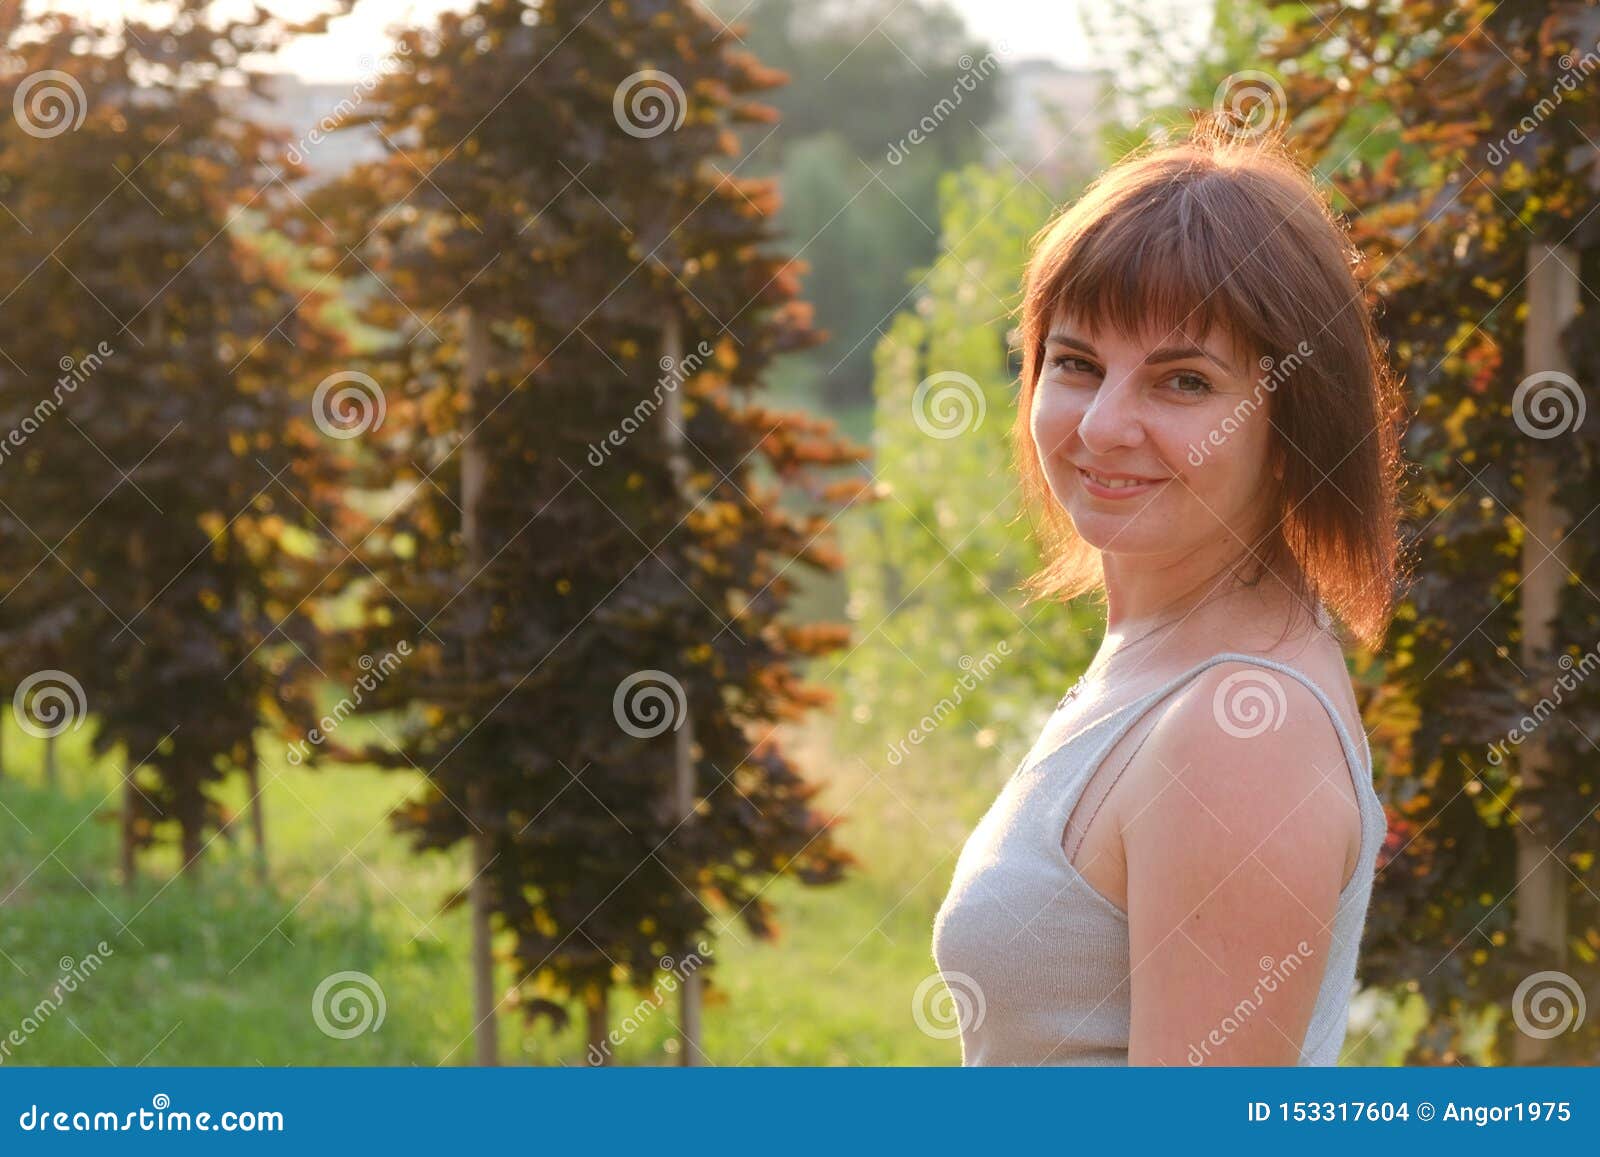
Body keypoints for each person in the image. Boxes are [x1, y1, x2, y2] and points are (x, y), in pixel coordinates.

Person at [930, 115, 1405, 1066]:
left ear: (1294, 423)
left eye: (1183, 382)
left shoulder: (1244, 734)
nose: (1104, 425)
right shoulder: (1160, 657)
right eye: (1076, 363)